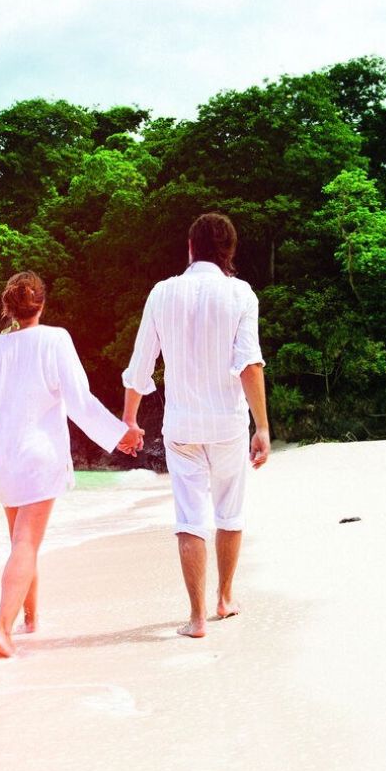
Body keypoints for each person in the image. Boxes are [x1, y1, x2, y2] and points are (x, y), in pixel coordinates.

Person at [0, 271, 145, 657]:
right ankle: (2, 629)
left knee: (22, 542)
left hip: (3, 459)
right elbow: (80, 401)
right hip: (40, 457)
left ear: (9, 308)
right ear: (42, 303)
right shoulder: (56, 340)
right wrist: (121, 433)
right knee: (26, 542)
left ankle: (31, 619)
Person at [120, 212, 270, 638]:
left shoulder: (162, 293)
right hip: (227, 423)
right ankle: (224, 598)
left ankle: (197, 618)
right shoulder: (241, 294)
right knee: (229, 511)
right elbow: (249, 365)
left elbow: (140, 363)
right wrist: (262, 427)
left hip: (182, 426)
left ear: (190, 248)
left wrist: (130, 421)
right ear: (230, 252)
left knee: (190, 517)